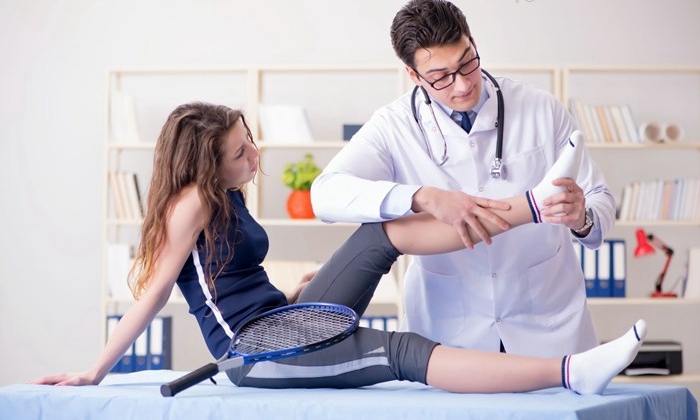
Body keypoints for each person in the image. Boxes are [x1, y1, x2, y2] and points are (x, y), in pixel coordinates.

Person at [32, 102, 642, 396]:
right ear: (205, 162)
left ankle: (534, 204)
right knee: (403, 350)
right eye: (240, 153)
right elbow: (157, 290)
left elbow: (231, 283)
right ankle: (571, 371)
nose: (255, 157)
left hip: (281, 319)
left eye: (251, 141)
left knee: (380, 230)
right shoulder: (190, 202)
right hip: (255, 355)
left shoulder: (225, 194)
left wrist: (294, 292)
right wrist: (95, 370)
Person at [310, 0, 616, 357]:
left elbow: (599, 197)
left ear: (473, 43)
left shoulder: (540, 108)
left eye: (467, 62)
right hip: (449, 333)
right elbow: (325, 194)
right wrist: (423, 197)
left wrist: (583, 219)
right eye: (440, 76)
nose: (462, 85)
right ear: (413, 75)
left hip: (548, 325)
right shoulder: (393, 126)